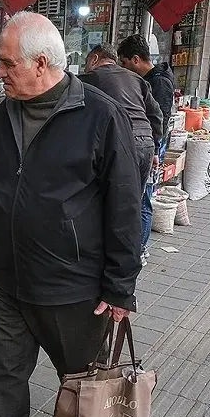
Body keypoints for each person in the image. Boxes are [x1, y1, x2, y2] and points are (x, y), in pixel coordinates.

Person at [0, 12, 142, 417]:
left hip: (72, 286)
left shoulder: (99, 114)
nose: (0, 73)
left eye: (8, 64)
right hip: (9, 279)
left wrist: (119, 287)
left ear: (41, 63)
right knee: (1, 378)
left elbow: (125, 204)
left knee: (81, 380)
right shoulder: (2, 115)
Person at [80, 43, 162, 265]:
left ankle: (115, 259)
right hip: (145, 143)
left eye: (87, 62)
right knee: (134, 202)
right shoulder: (136, 79)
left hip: (120, 142)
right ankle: (134, 254)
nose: (87, 67)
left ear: (95, 59)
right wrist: (154, 146)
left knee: (111, 202)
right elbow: (156, 114)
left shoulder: (91, 79)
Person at [117, 34, 175, 263]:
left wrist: (154, 152)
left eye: (124, 63)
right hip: (149, 145)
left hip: (150, 146)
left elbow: (158, 118)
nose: (124, 68)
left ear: (135, 60)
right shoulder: (154, 78)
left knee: (143, 198)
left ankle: (139, 249)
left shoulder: (158, 82)